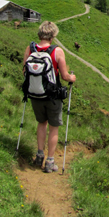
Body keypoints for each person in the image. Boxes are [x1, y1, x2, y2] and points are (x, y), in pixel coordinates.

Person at [24, 22, 76, 174]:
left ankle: (39, 155)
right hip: (53, 96)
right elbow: (65, 76)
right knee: (54, 128)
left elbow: (24, 72)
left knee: (41, 123)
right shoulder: (57, 51)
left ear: (39, 34)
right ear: (53, 35)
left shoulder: (30, 49)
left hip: (35, 94)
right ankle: (50, 161)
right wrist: (72, 77)